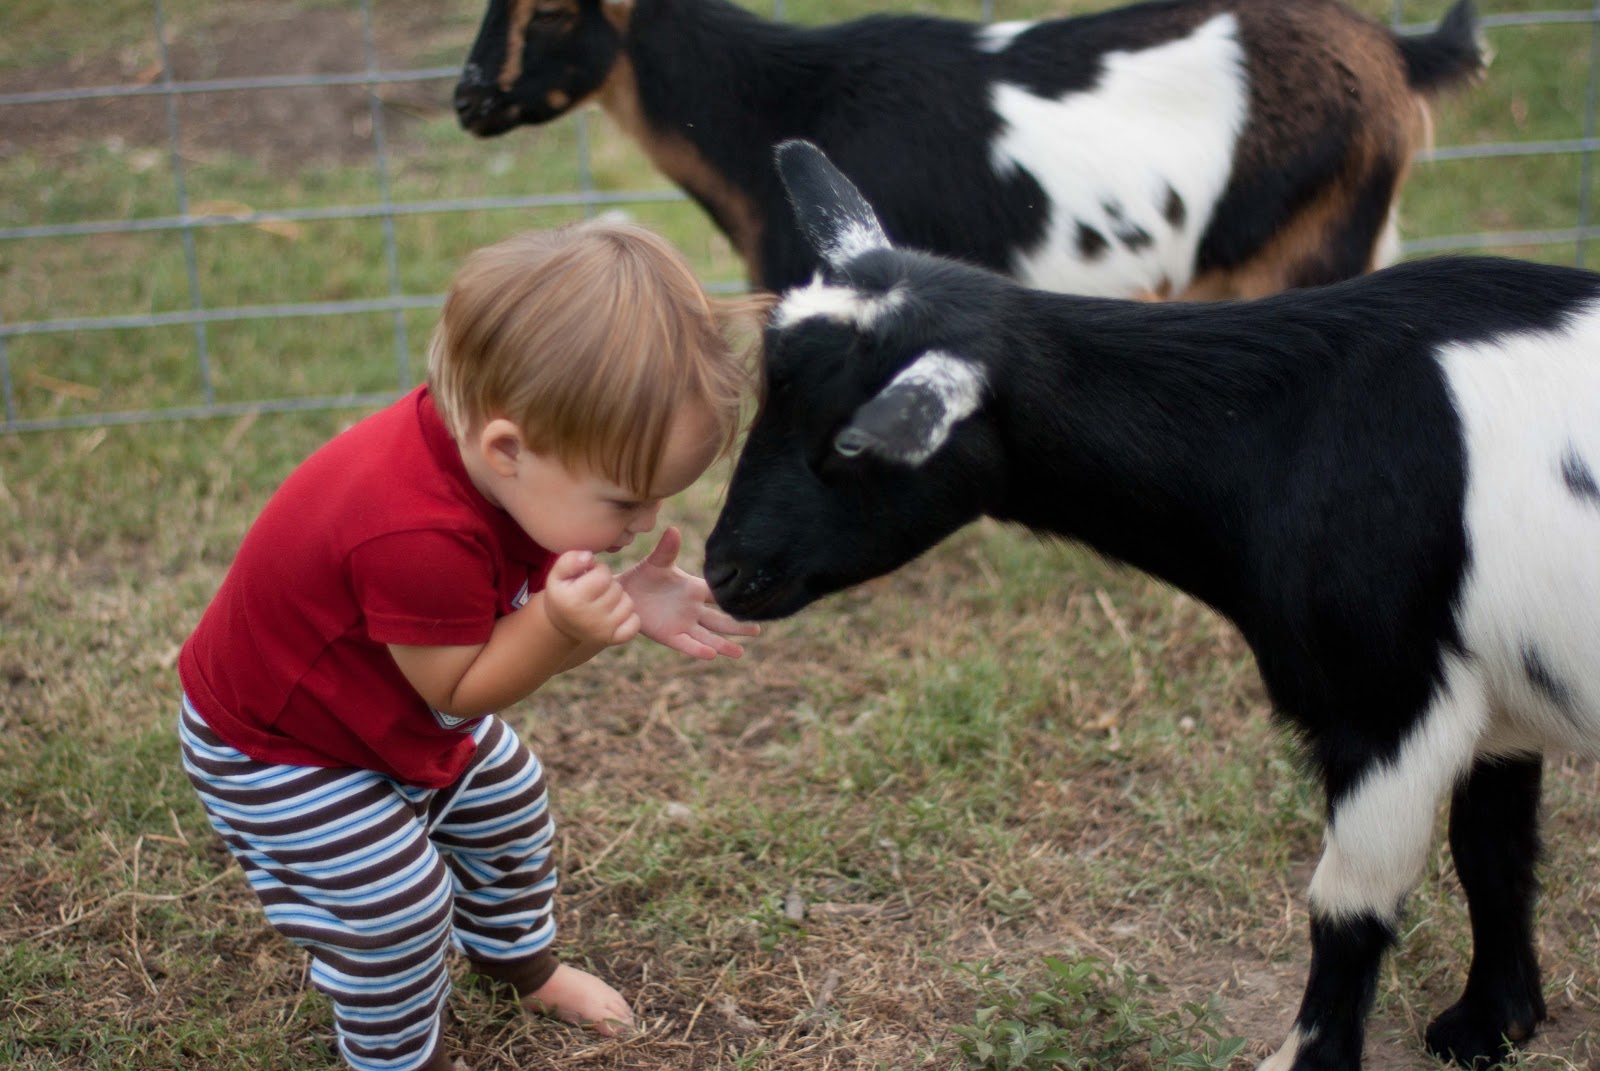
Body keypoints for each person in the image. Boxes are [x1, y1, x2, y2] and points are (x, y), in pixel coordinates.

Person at [176, 221, 763, 1071]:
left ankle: (519, 964)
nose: (645, 523)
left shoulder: (506, 478)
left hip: (380, 709)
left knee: (508, 801)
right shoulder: (414, 532)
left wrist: (622, 601)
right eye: (625, 501)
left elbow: (479, 667)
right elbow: (458, 692)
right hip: (281, 748)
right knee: (394, 907)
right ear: (507, 448)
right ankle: (397, 1059)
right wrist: (563, 627)